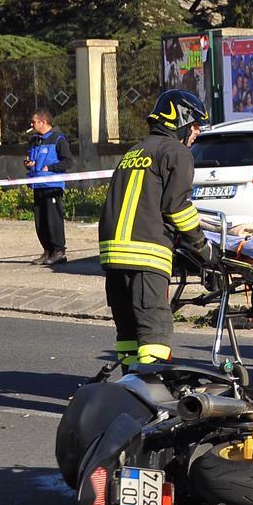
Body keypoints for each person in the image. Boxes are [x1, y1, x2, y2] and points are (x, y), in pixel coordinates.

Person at [97, 89, 216, 370]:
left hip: (113, 258)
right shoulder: (176, 152)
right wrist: (202, 247)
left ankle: (129, 390)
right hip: (146, 254)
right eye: (196, 124)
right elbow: (178, 208)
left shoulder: (134, 151)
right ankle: (152, 393)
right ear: (182, 121)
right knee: (154, 329)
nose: (198, 131)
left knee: (128, 331)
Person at [26, 109, 72, 265]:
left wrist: (50, 167)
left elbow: (67, 162)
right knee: (40, 222)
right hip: (38, 185)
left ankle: (59, 252)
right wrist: (30, 164)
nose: (31, 124)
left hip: (52, 186)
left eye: (34, 121)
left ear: (43, 122)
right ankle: (47, 251)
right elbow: (34, 161)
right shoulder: (34, 140)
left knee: (53, 220)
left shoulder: (59, 139)